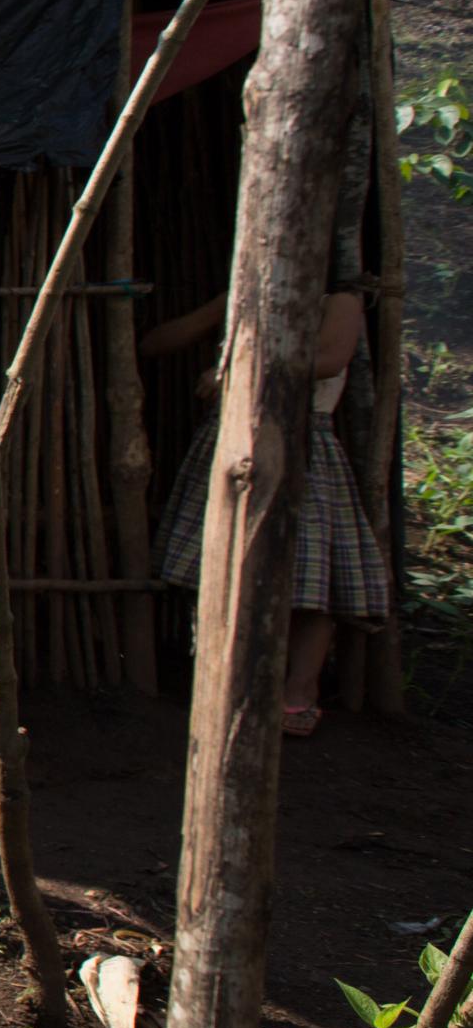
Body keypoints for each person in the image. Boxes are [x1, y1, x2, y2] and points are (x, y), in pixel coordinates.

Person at [143, 284, 385, 736]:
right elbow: (157, 341)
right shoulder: (247, 287)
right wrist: (225, 305)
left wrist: (240, 373)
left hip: (301, 445)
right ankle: (228, 685)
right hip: (234, 444)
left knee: (310, 579)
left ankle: (299, 693)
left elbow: (329, 360)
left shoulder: (338, 299)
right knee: (220, 567)